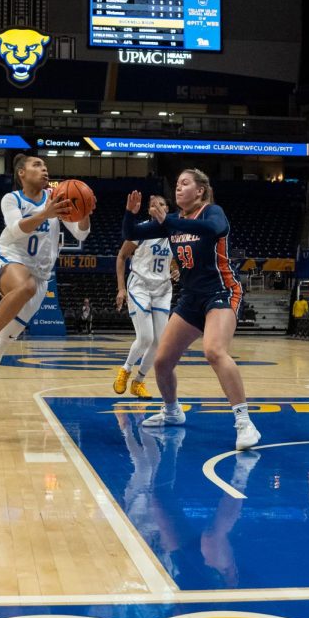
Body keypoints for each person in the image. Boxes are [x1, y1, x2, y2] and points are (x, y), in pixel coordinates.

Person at [0, 154, 90, 431]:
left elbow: (81, 234)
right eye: (37, 165)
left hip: (40, 278)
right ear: (22, 173)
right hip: (8, 262)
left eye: (45, 165)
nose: (44, 168)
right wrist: (45, 214)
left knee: (2, 348)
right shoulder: (12, 199)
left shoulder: (58, 196)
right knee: (23, 286)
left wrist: (84, 213)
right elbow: (16, 229)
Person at [120, 169, 260, 451]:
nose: (178, 189)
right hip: (191, 298)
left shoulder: (213, 212)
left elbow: (213, 230)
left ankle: (245, 423)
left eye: (185, 184)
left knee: (214, 351)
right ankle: (172, 411)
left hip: (222, 291)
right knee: (162, 362)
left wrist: (168, 221)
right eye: (177, 185)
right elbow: (131, 234)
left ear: (200, 191)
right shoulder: (174, 222)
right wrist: (130, 213)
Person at [114, 201, 175, 398]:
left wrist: (177, 270)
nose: (158, 206)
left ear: (167, 209)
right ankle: (125, 369)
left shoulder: (175, 233)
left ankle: (138, 381)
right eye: (153, 204)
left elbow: (177, 261)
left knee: (159, 342)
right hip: (140, 285)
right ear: (149, 211)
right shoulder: (140, 231)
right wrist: (121, 288)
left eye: (162, 203)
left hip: (163, 288)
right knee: (146, 337)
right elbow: (122, 256)